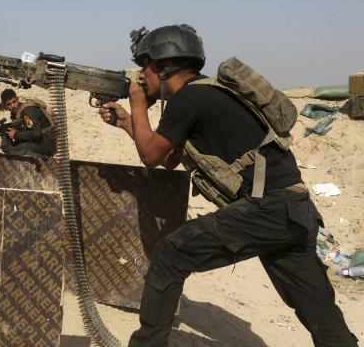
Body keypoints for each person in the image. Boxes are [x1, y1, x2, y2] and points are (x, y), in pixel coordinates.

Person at [100, 24, 359, 346]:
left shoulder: (189, 98)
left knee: (170, 253)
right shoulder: (204, 94)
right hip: (293, 210)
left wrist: (138, 105)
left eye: (145, 68)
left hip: (268, 209)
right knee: (316, 307)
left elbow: (151, 157)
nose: (141, 77)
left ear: (165, 67)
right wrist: (130, 124)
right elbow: (167, 157)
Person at [0, 88, 55, 157]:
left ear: (18, 99)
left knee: (16, 149)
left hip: (46, 144)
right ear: (4, 105)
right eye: (9, 104)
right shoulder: (18, 112)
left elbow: (36, 133)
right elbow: (16, 125)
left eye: (14, 102)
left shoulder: (28, 111)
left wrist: (15, 135)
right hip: (39, 141)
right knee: (14, 146)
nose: (13, 106)